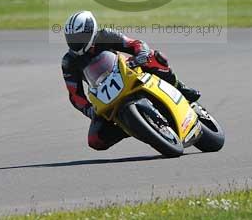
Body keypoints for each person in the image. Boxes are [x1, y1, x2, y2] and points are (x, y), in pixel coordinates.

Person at [61, 10, 201, 151]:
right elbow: (74, 94)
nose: (75, 41)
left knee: (155, 57)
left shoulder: (106, 35)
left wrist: (141, 54)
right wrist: (89, 110)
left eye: (79, 36)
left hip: (126, 72)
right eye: (71, 38)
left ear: (91, 31)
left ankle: (180, 87)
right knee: (95, 140)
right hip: (104, 93)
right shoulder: (69, 61)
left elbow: (134, 44)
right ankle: (131, 127)